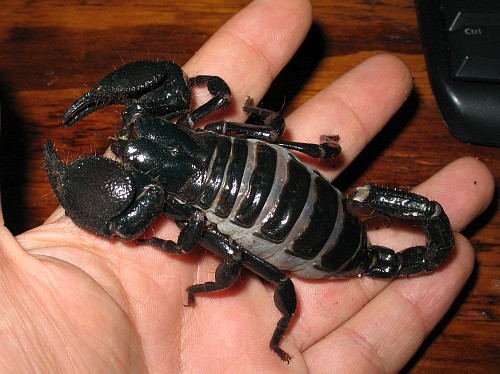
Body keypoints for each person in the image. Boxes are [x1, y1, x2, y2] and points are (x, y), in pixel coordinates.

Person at [0, 0, 494, 372]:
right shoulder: (205, 128)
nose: (129, 130)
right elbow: (236, 110)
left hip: (317, 234)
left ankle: (294, 315)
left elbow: (186, 239)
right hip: (294, 195)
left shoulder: (165, 203)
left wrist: (164, 246)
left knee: (255, 265)